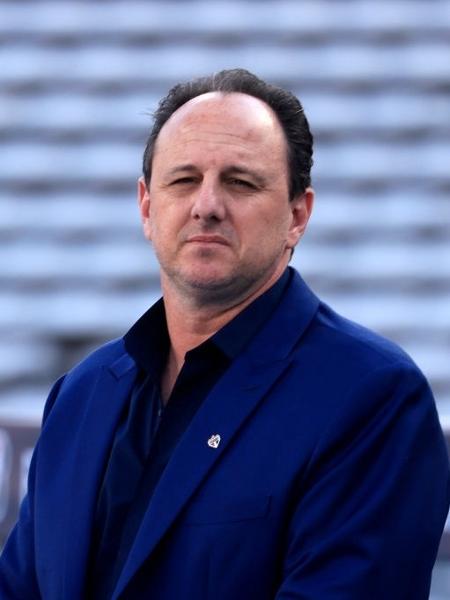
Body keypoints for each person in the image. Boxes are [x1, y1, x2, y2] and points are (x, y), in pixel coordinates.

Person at [0, 68, 449, 600]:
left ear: (297, 215)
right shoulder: (80, 394)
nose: (207, 204)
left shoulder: (372, 398)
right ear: (147, 207)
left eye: (240, 182)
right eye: (184, 179)